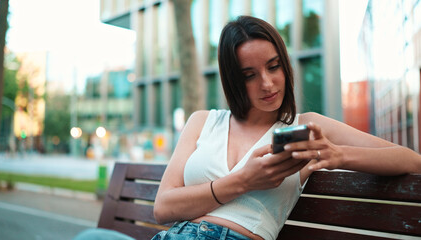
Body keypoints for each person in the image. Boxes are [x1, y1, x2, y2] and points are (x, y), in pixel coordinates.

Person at [73, 15, 421, 240]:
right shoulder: (203, 121)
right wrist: (244, 180)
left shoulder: (306, 126)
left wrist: (335, 154)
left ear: (285, 65)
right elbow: (163, 208)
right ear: (232, 80)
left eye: (274, 67)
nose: (268, 84)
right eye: (249, 75)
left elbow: (410, 160)